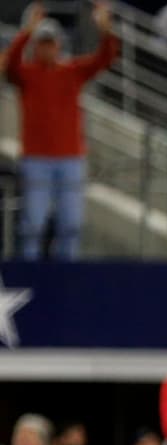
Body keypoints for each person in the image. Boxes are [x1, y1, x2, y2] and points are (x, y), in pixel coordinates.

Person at [4, 1, 118, 261]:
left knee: (71, 225)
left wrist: (105, 30)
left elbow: (105, 59)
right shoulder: (27, 74)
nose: (47, 48)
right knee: (33, 224)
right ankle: (30, 274)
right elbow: (10, 63)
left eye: (50, 43)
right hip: (36, 159)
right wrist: (27, 32)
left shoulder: (72, 71)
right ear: (36, 46)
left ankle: (67, 274)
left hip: (70, 159)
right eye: (42, 43)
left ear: (58, 45)